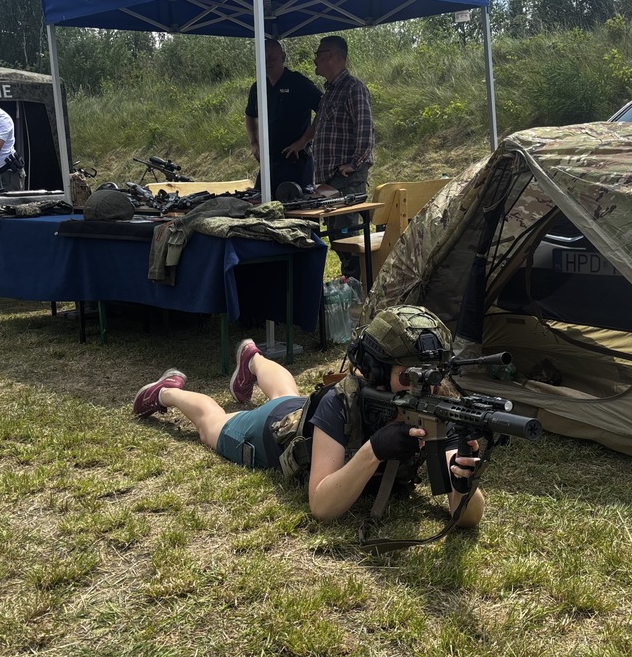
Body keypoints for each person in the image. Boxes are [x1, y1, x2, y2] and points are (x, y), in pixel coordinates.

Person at [133, 305, 484, 525]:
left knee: (288, 395)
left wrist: (463, 482)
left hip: (302, 413)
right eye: (408, 377)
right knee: (213, 425)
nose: (425, 386)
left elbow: (466, 517)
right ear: (376, 372)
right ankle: (167, 391)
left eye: (433, 374)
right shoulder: (340, 402)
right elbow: (321, 504)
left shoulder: (434, 405)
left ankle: (253, 359)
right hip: (271, 434)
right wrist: (374, 449)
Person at [307, 35, 375, 280]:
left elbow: (366, 130)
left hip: (346, 179)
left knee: (348, 238)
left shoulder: (353, 88)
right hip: (330, 180)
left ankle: (358, 295)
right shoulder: (329, 93)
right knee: (338, 237)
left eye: (318, 54)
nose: (315, 59)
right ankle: (352, 290)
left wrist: (355, 164)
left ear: (332, 56)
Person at [244, 38, 323, 195]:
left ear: (283, 57)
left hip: (296, 160)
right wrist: (254, 142)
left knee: (298, 212)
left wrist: (304, 141)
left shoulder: (299, 83)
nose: (268, 62)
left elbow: (324, 110)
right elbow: (249, 115)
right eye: (263, 57)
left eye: (272, 57)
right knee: (260, 209)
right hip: (269, 163)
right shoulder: (257, 87)